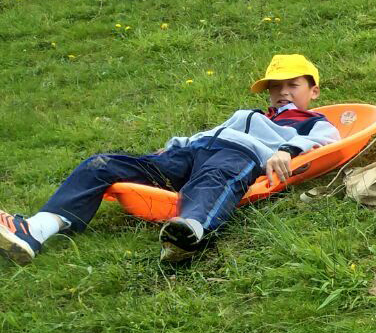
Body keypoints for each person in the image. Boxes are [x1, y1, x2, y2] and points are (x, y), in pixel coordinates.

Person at [0, 54, 339, 266]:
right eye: (275, 87)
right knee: (101, 164)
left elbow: (326, 142)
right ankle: (37, 230)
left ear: (314, 91)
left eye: (292, 85)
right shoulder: (246, 115)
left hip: (237, 157)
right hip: (189, 155)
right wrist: (175, 146)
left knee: (216, 179)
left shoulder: (311, 122)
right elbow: (211, 132)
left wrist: (286, 151)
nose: (282, 93)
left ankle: (187, 234)